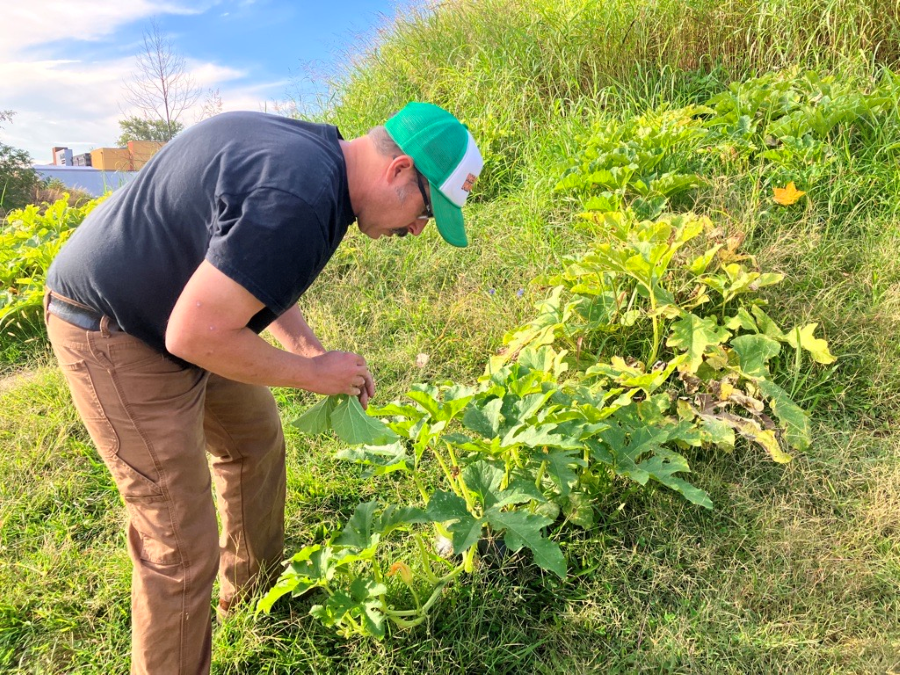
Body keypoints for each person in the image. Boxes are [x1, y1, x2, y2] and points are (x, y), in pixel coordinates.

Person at [43, 102, 483, 675]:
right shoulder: (300, 196)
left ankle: (250, 598)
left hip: (184, 310)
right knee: (178, 541)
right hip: (115, 329)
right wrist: (312, 375)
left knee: (254, 439)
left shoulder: (317, 163)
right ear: (399, 170)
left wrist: (308, 351)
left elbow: (251, 265)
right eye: (427, 210)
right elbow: (192, 334)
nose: (420, 229)